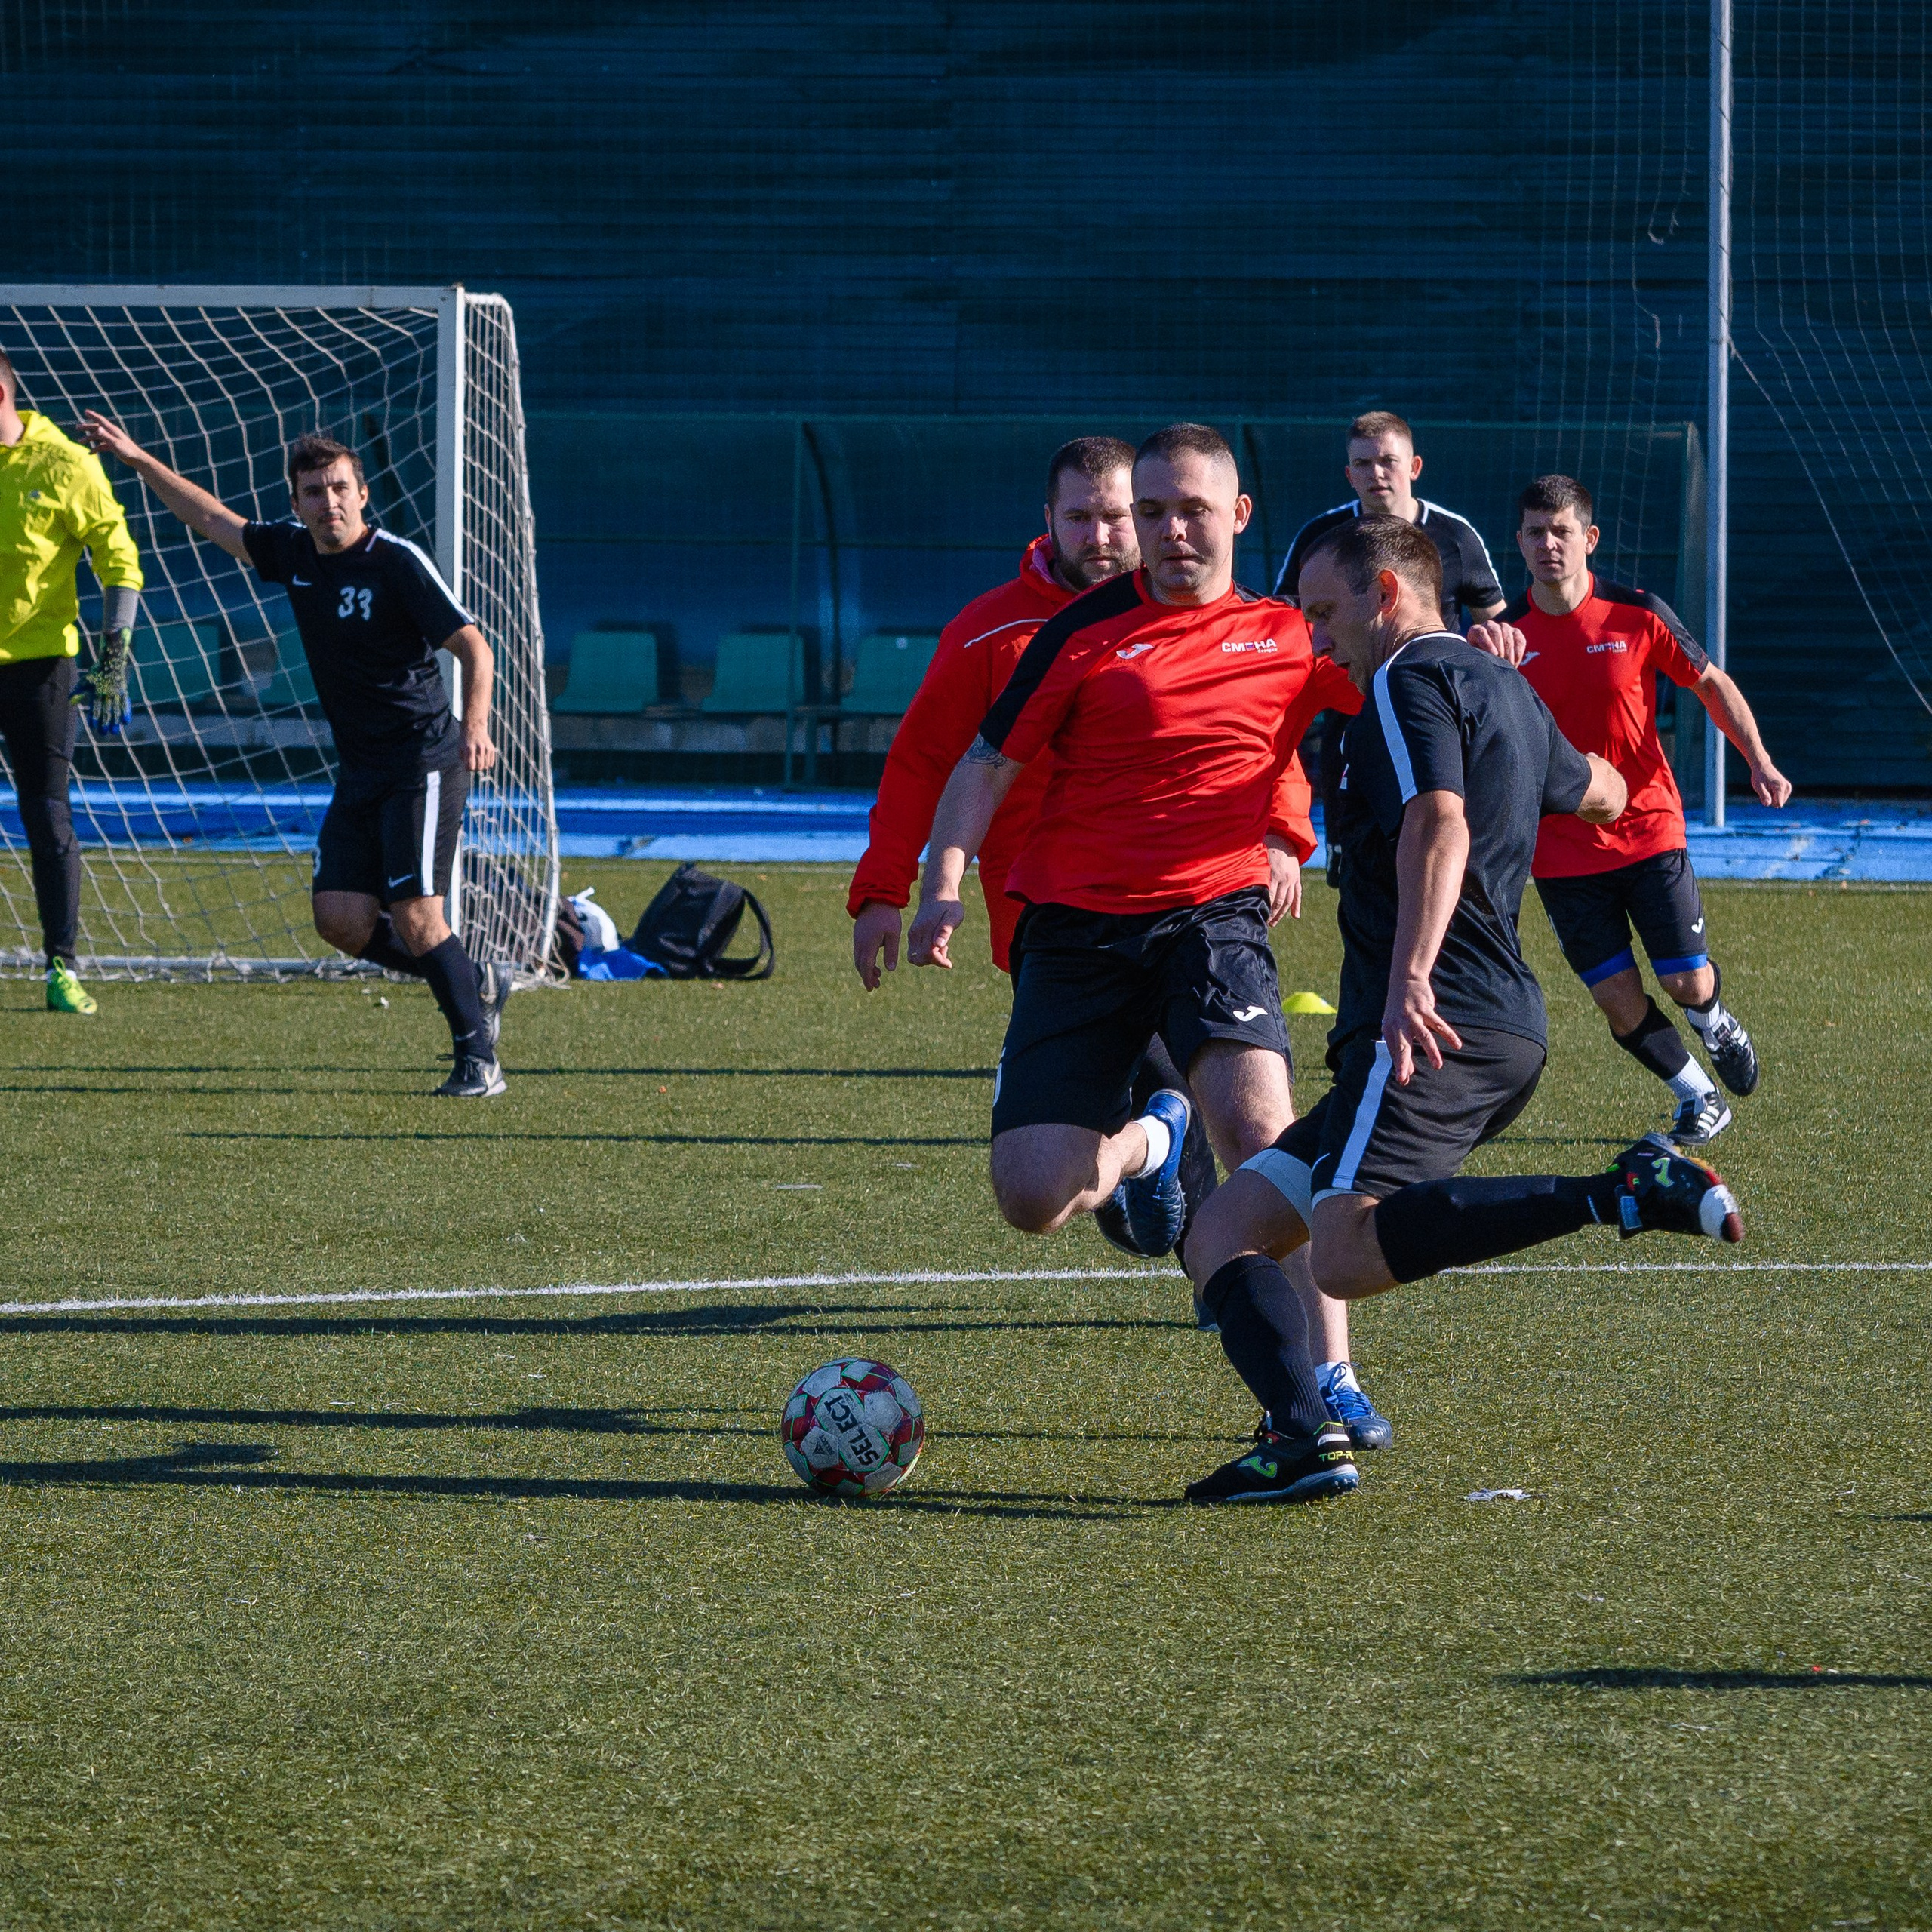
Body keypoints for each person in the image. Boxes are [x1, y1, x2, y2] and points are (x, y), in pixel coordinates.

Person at [1175, 515, 1743, 1507]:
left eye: (1326, 611)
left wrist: (1410, 979)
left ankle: (1618, 1190)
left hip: (1438, 1021)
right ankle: (1302, 1435)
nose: (1318, 636)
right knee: (1220, 1234)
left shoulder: (1403, 684)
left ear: (1385, 595)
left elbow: (1438, 820)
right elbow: (1604, 791)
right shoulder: (1506, 690)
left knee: (1346, 1253)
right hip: (1492, 1025)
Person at [907, 421, 1364, 1304]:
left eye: (1192, 510)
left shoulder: (1283, 634)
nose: (1171, 532)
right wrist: (942, 888)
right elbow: (984, 762)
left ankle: (1327, 1382)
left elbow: (1380, 676)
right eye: (1151, 511)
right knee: (1034, 1196)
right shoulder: (1081, 630)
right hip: (1076, 927)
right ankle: (1151, 1141)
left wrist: (1473, 656)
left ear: (1237, 513)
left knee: (1266, 1138)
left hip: (1211, 918)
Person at [82, 416, 512, 1096]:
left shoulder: (395, 561)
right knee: (339, 919)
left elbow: (474, 646)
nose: (328, 502)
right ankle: (474, 979)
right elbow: (213, 519)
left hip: (423, 760)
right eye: (313, 492)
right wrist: (137, 460)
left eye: (339, 488)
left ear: (362, 495)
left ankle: (478, 1059)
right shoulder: (295, 554)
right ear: (296, 504)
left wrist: (477, 726)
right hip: (363, 767)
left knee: (418, 916)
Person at [1500, 475, 1790, 1145]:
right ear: (1518, 541)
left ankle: (1714, 1020)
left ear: (1589, 539)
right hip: (1561, 851)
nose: (1549, 545)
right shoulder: (1505, 640)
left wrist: (1759, 759)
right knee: (1616, 998)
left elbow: (1710, 683)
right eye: (1536, 532)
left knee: (1687, 982)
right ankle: (1696, 1096)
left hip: (1648, 829)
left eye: (1562, 531)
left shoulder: (1638, 615)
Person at [0, 347, 145, 1013]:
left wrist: (114, 651)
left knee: (46, 812)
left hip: (38, 669)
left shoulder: (65, 463)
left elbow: (119, 554)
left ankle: (62, 968)